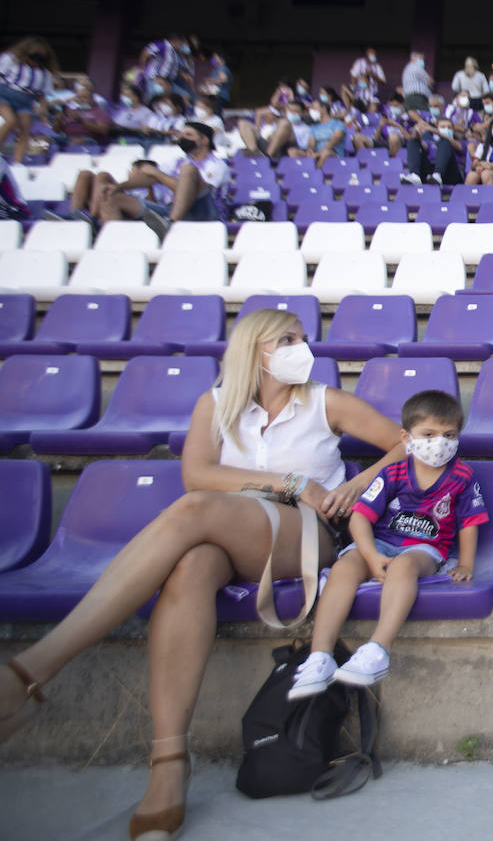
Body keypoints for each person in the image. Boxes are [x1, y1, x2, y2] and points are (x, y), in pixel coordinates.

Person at [0, 309, 404, 840]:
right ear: (253, 350)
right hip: (230, 535)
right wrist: (287, 481)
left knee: (194, 511)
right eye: (286, 339)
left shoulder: (326, 401)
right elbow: (199, 472)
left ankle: (29, 673)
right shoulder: (213, 406)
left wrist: (358, 486)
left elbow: (407, 443)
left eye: (303, 339)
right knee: (190, 566)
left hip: (303, 538)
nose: (301, 348)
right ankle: (168, 763)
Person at [290, 390, 485, 697]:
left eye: (449, 434)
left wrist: (466, 564)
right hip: (380, 543)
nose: (440, 443)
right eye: (429, 434)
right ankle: (320, 656)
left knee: (404, 565)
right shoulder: (392, 471)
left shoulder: (461, 475)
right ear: (407, 437)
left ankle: (378, 649)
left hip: (424, 549)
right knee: (344, 567)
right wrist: (368, 555)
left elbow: (470, 522)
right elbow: (359, 518)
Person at [0, 36, 58, 162]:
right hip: (5, 94)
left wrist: (43, 111)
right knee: (10, 122)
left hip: (26, 101)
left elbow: (42, 95)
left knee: (25, 132)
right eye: (34, 56)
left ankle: (18, 163)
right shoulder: (11, 59)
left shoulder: (45, 73)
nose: (37, 60)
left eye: (41, 58)